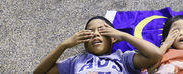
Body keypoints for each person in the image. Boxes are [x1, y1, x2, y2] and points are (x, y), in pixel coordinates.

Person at [34, 15, 162, 74]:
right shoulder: (75, 62)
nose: (96, 34)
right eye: (89, 33)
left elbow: (155, 54)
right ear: (84, 43)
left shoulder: (123, 58)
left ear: (113, 38)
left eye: (102, 31)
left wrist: (123, 35)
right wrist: (63, 46)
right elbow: (39, 72)